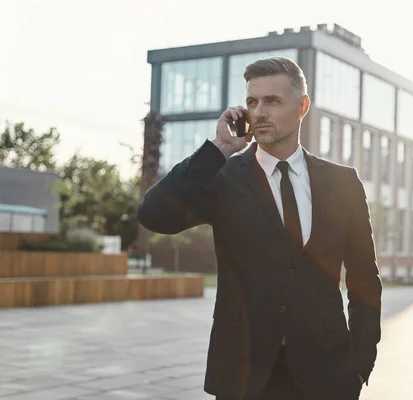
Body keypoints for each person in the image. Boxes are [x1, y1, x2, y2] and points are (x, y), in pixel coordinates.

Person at [137, 56, 382, 400]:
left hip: (328, 375)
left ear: (302, 106)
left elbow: (364, 279)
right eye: (252, 101)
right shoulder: (222, 177)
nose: (259, 111)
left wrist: (360, 361)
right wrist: (218, 150)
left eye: (273, 101)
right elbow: (153, 215)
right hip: (244, 375)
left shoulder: (343, 183)